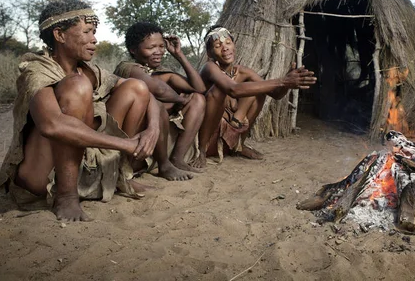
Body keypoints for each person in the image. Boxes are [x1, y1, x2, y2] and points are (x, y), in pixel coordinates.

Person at [0, 0, 161, 222]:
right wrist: (127, 144)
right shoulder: (36, 70)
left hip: (81, 166)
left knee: (135, 87)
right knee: (78, 86)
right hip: (39, 177)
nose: (94, 39)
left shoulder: (89, 70)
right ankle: (66, 196)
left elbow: (146, 93)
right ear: (59, 35)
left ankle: (118, 175)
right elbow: (52, 124)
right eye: (87, 32)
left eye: (94, 32)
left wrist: (153, 130)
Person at [197, 26, 317, 165]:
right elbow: (234, 89)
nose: (225, 48)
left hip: (227, 136)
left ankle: (239, 145)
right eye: (218, 46)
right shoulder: (209, 68)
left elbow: (276, 94)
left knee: (259, 90)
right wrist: (283, 81)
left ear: (234, 45)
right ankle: (200, 150)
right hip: (208, 139)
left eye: (228, 43)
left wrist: (287, 84)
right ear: (209, 53)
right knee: (220, 91)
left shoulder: (242, 72)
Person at [114, 22, 206, 180]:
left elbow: (199, 88)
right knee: (157, 105)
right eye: (151, 48)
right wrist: (180, 101)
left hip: (161, 135)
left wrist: (179, 54)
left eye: (161, 46)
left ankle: (177, 158)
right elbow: (158, 90)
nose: (158, 52)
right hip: (136, 134)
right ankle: (163, 165)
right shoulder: (128, 68)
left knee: (198, 99)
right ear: (133, 50)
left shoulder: (161, 72)